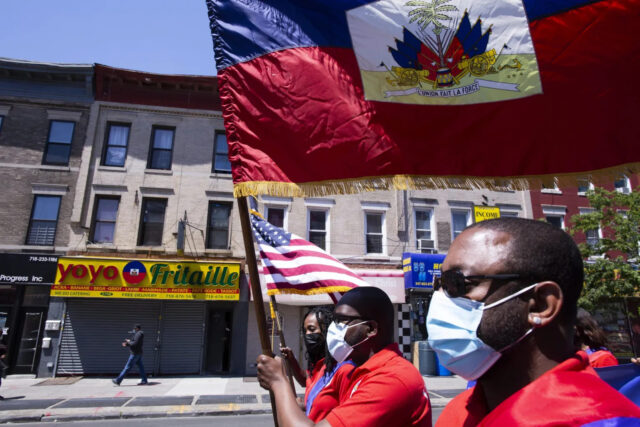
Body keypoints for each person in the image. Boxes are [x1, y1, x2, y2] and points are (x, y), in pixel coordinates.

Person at [428, 217, 640, 426]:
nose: (441, 298)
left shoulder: (606, 421)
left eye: (456, 283)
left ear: (541, 305)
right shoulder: (460, 411)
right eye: (439, 284)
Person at [257, 287, 432, 427]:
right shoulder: (361, 371)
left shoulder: (392, 379)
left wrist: (278, 382)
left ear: (370, 329)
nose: (333, 328)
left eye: (342, 321)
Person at [280, 306, 355, 422]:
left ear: (328, 331)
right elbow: (306, 380)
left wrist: (277, 380)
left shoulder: (345, 369)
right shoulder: (319, 365)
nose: (307, 334)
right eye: (305, 331)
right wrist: (291, 360)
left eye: (311, 329)